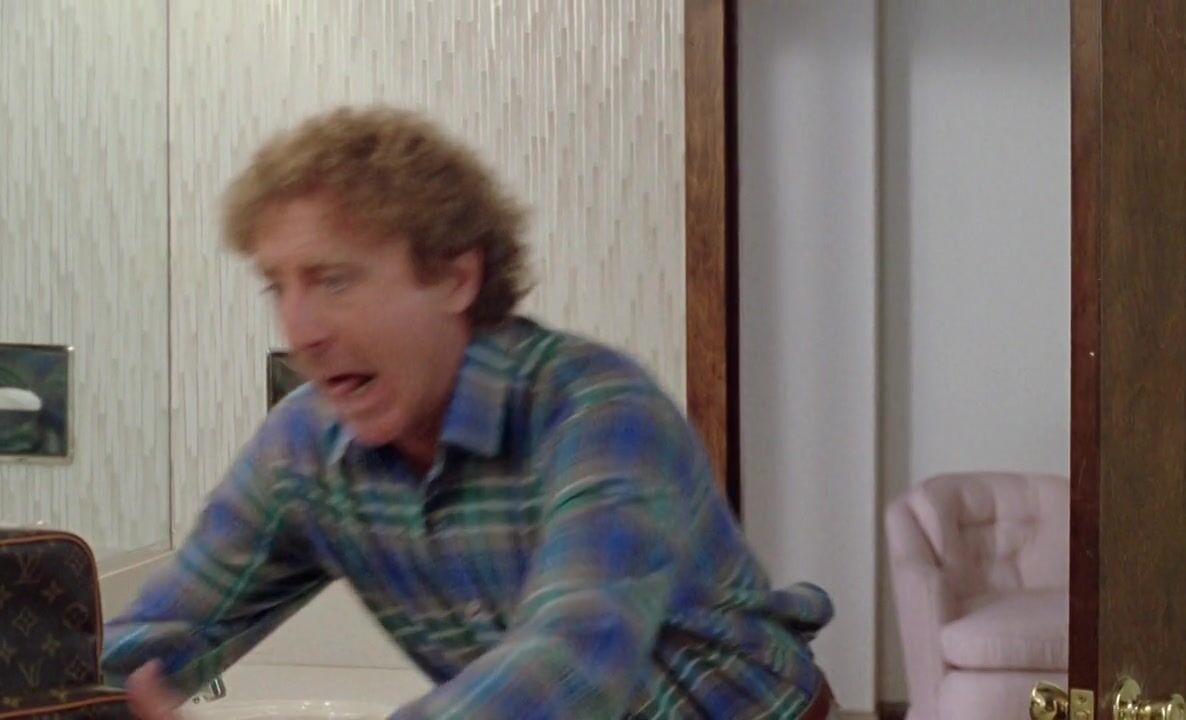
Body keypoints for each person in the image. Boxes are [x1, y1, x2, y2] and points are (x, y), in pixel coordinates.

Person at [101, 105, 838, 720]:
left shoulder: (598, 410)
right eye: (278, 287)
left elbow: (573, 661)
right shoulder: (303, 448)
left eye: (334, 280)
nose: (300, 330)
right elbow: (154, 638)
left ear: (457, 277)